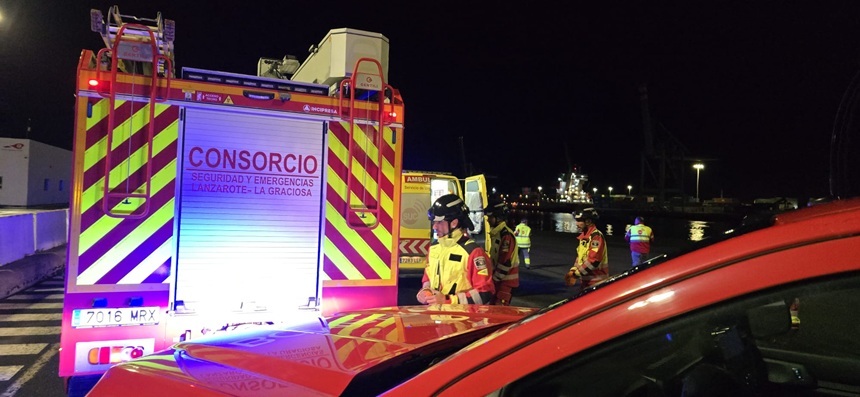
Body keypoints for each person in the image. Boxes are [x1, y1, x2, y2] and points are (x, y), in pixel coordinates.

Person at [416, 194, 495, 305]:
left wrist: (448, 300)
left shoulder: (473, 252)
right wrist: (426, 290)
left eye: (439, 222)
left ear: (454, 223)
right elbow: (427, 277)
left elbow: (484, 293)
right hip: (436, 317)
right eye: (434, 222)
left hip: (462, 320)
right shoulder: (434, 248)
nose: (434, 227)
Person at [484, 200, 519, 305]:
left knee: (498, 312)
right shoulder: (498, 234)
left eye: (490, 217)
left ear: (498, 218)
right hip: (500, 282)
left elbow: (505, 262)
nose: (488, 220)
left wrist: (493, 280)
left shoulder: (505, 236)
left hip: (504, 283)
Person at [565, 207, 609, 288]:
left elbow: (594, 261)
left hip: (596, 282)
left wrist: (576, 274)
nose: (576, 224)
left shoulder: (596, 237)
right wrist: (573, 270)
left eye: (579, 221)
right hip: (586, 282)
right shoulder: (584, 237)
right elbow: (580, 258)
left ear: (588, 221)